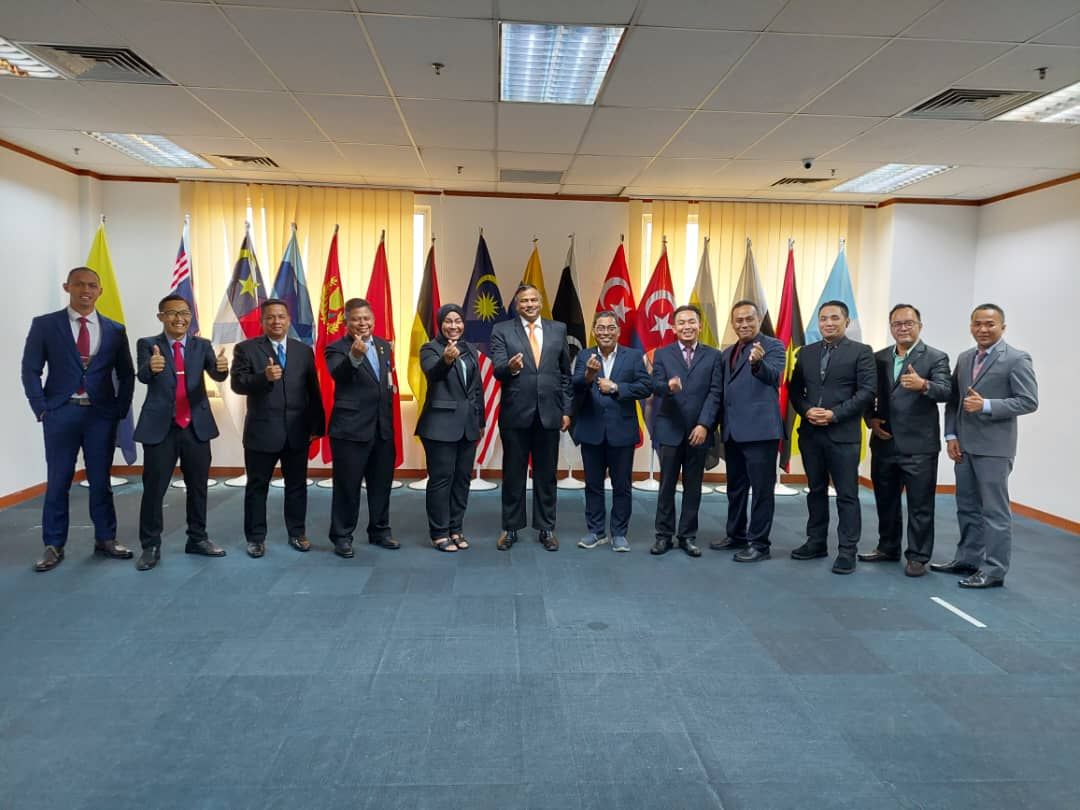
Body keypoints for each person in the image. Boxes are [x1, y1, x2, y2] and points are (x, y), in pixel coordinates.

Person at [21, 266, 135, 572]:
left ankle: (106, 538)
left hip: (101, 416)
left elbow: (126, 373)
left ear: (100, 291)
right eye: (79, 284)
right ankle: (53, 545)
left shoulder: (115, 330)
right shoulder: (46, 325)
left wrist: (120, 409)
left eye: (92, 285)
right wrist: (41, 407)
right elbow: (30, 369)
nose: (86, 290)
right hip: (61, 413)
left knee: (101, 481)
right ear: (67, 287)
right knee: (58, 481)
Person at [931, 304, 1038, 588]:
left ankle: (994, 570)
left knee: (994, 512)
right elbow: (953, 401)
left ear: (1003, 327)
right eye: (977, 323)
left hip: (994, 449)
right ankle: (967, 559)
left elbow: (1028, 401)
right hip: (963, 447)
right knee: (966, 507)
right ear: (971, 326)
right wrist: (951, 436)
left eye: (990, 324)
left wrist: (987, 405)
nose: (983, 329)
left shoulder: (1016, 359)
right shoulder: (965, 358)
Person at [133, 294, 230, 571]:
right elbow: (143, 375)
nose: (180, 318)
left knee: (198, 487)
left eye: (185, 313)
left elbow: (217, 374)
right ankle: (151, 545)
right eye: (172, 313)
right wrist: (151, 368)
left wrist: (222, 369)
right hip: (160, 428)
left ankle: (197, 539)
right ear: (161, 317)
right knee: (154, 489)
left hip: (195, 427)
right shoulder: (148, 344)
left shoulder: (202, 345)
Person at [860, 304, 950, 577]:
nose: (903, 328)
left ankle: (918, 556)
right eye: (897, 324)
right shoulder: (878, 357)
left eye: (909, 323)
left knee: (920, 505)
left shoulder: (935, 357)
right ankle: (887, 547)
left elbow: (946, 391)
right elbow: (866, 393)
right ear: (891, 328)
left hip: (919, 447)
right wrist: (870, 419)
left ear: (919, 326)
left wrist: (924, 385)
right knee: (885, 500)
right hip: (884, 441)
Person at [230, 298, 324, 558]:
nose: (276, 321)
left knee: (297, 486)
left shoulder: (303, 351)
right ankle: (255, 538)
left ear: (289, 320)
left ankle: (297, 533)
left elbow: (312, 391)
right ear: (262, 321)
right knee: (257, 487)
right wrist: (264, 378)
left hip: (297, 432)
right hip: (262, 432)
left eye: (281, 316)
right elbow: (237, 384)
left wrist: (317, 425)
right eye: (270, 317)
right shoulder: (246, 349)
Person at [789, 300, 875, 574]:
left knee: (847, 495)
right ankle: (816, 542)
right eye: (823, 318)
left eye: (834, 318)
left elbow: (867, 392)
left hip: (843, 435)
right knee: (815, 490)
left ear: (846, 322)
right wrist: (807, 410)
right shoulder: (806, 352)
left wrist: (834, 414)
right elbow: (795, 391)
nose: (828, 323)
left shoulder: (861, 352)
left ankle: (847, 550)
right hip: (811, 433)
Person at [490, 284, 572, 552]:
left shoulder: (558, 329)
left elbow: (565, 374)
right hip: (516, 413)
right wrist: (510, 367)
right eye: (524, 301)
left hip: (549, 413)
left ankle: (546, 527)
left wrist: (567, 410)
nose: (529, 304)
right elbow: (498, 370)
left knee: (546, 475)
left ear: (540, 302)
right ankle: (510, 527)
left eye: (533, 300)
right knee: (513, 474)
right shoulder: (502, 330)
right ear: (517, 305)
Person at [325, 298, 400, 557]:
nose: (362, 323)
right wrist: (355, 356)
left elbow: (385, 384)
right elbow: (340, 375)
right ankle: (342, 536)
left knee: (381, 485)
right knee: (347, 486)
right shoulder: (336, 348)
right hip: (350, 430)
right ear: (346, 322)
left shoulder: (383, 345)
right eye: (356, 319)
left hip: (382, 428)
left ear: (373, 320)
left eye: (366, 318)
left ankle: (380, 531)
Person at [571, 310, 651, 552]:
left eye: (610, 328)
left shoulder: (633, 356)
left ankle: (619, 533)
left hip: (622, 431)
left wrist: (616, 387)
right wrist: (588, 376)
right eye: (600, 328)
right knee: (593, 485)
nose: (605, 332)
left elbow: (645, 387)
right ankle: (596, 531)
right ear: (594, 331)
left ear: (618, 331)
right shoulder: (584, 355)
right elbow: (574, 387)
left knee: (621, 486)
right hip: (591, 429)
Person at [712, 300, 786, 562]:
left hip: (761, 433)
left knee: (762, 491)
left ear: (758, 320)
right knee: (736, 487)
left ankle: (760, 545)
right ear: (733, 324)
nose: (744, 324)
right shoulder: (727, 353)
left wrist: (758, 363)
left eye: (749, 319)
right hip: (733, 432)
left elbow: (775, 376)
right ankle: (736, 535)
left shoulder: (773, 346)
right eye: (739, 320)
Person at [648, 305, 723, 558]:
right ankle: (663, 535)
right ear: (673, 327)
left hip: (698, 431)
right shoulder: (662, 354)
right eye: (681, 322)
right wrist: (667, 387)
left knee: (693, 486)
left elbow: (715, 393)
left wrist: (704, 425)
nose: (686, 326)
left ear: (700, 325)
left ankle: (687, 536)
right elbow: (655, 385)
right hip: (670, 428)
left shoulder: (714, 356)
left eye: (691, 322)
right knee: (666, 486)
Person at [415, 304, 484, 552]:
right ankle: (439, 532)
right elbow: (432, 374)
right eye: (448, 321)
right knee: (441, 480)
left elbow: (477, 389)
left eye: (458, 321)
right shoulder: (429, 348)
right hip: (439, 426)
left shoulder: (470, 349)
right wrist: (445, 360)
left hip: (468, 425)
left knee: (462, 480)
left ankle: (456, 528)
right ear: (440, 323)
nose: (453, 326)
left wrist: (481, 421)